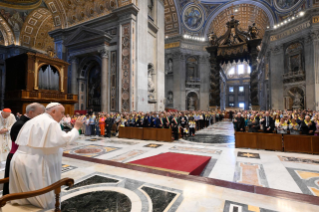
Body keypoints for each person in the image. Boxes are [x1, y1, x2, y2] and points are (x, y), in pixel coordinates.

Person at [9, 103, 84, 209]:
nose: (63, 115)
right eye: (62, 112)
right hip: (36, 162)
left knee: (25, 198)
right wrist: (76, 128)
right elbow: (64, 140)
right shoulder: (50, 123)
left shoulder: (34, 120)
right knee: (43, 199)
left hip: (20, 160)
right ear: (53, 111)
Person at [3, 103, 45, 196]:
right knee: (14, 188)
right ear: (30, 112)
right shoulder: (20, 124)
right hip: (17, 158)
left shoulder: (29, 123)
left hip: (26, 158)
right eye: (40, 114)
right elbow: (26, 144)